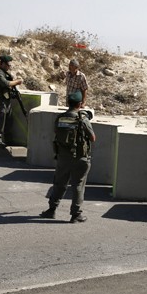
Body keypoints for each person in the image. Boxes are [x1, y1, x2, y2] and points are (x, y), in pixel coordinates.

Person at [41, 91, 96, 223]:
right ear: (80, 104)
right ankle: (76, 215)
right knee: (78, 185)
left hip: (63, 157)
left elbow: (56, 133)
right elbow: (93, 138)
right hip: (80, 158)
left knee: (59, 183)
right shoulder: (82, 119)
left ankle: (51, 210)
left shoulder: (60, 118)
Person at [0, 54, 24, 148]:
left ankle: (8, 140)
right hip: (0, 100)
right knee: (0, 120)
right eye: (8, 64)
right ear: (3, 64)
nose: (9, 66)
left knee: (9, 120)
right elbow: (6, 84)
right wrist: (17, 81)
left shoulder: (5, 73)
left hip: (6, 99)